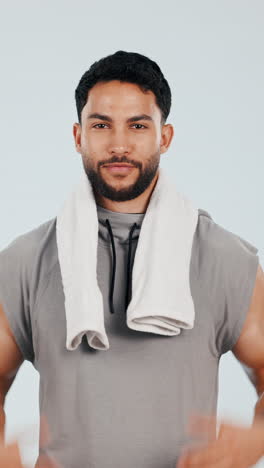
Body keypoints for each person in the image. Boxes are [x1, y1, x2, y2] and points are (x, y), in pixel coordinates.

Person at [0, 50, 264, 468]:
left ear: (165, 136)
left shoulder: (226, 259)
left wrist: (257, 438)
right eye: (101, 125)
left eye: (138, 126)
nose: (119, 144)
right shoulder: (23, 261)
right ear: (77, 135)